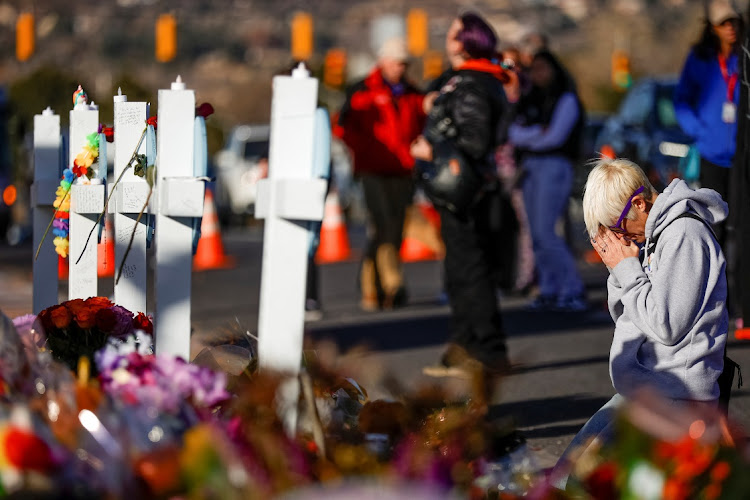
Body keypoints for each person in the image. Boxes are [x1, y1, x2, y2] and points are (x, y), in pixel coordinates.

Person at [553, 158, 728, 487]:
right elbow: (627, 317)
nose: (616, 239)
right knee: (562, 478)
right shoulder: (647, 240)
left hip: (677, 396)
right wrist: (620, 269)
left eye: (616, 228)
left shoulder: (685, 235)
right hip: (644, 390)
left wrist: (627, 270)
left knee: (579, 484)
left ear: (638, 203)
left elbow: (666, 327)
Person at [413, 12, 517, 387]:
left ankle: (489, 352)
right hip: (463, 190)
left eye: (455, 31)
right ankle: (464, 347)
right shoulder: (471, 78)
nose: (448, 35)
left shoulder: (473, 82)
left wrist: (432, 149)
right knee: (459, 271)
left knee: (470, 271)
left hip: (468, 191)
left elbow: (474, 140)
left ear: (468, 39)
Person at [335, 38, 426, 310]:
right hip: (372, 169)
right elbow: (343, 127)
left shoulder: (412, 93)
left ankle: (373, 285)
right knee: (382, 223)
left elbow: (421, 125)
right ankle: (391, 284)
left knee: (396, 227)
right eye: (397, 62)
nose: (401, 68)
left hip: (403, 169)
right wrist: (366, 149)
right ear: (383, 61)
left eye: (404, 63)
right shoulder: (361, 90)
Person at [508, 50, 587, 311]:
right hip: (530, 166)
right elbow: (512, 133)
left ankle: (572, 287)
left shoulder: (566, 99)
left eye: (543, 68)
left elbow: (555, 137)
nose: (538, 74)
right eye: (534, 69)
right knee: (535, 233)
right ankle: (549, 287)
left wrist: (531, 136)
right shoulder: (530, 99)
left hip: (555, 165)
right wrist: (535, 134)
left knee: (546, 230)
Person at [674, 0, 743, 250]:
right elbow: (682, 101)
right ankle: (717, 282)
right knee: (715, 224)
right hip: (712, 155)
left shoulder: (744, 57)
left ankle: (739, 285)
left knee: (742, 224)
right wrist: (699, 131)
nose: (730, 28)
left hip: (742, 155)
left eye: (734, 22)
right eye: (724, 23)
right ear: (713, 27)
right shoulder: (700, 59)